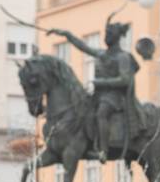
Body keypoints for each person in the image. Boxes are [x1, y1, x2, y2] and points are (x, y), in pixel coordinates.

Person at [47, 13, 146, 161]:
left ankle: (103, 150)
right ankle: (85, 144)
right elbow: (83, 46)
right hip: (99, 95)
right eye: (106, 34)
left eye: (109, 34)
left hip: (116, 97)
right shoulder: (101, 53)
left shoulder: (123, 57)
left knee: (101, 113)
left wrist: (101, 82)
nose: (106, 37)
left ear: (116, 37)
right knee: (80, 110)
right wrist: (66, 34)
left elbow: (125, 80)